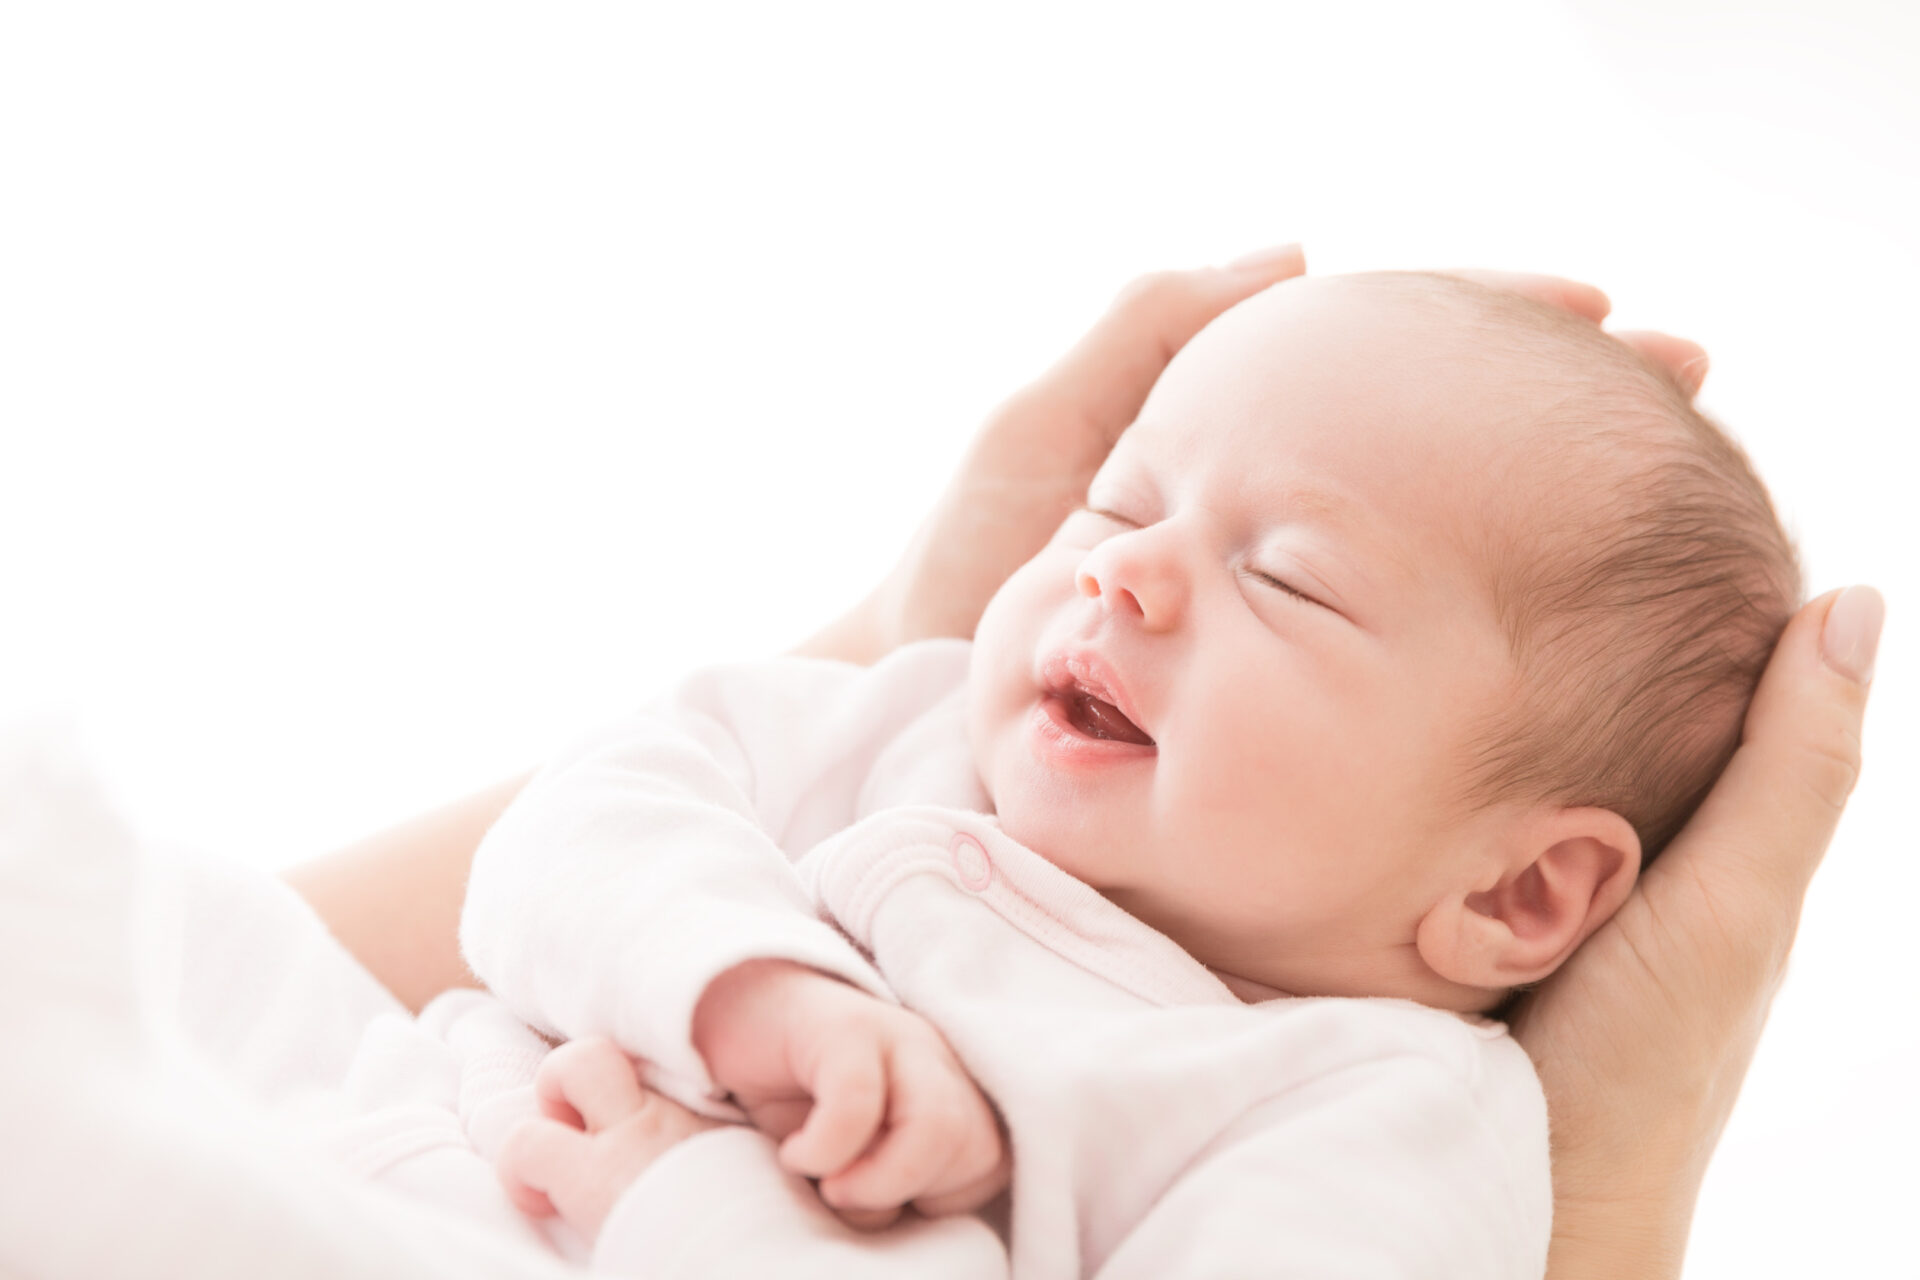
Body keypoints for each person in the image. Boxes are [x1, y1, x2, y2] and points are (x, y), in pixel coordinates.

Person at [284, 246, 1884, 1280]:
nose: (1125, 574)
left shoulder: (1370, 1122)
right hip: (295, 1142)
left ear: (1521, 888)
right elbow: (570, 835)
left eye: (1289, 577)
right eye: (1121, 503)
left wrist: (707, 1221)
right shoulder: (906, 729)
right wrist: (756, 992)